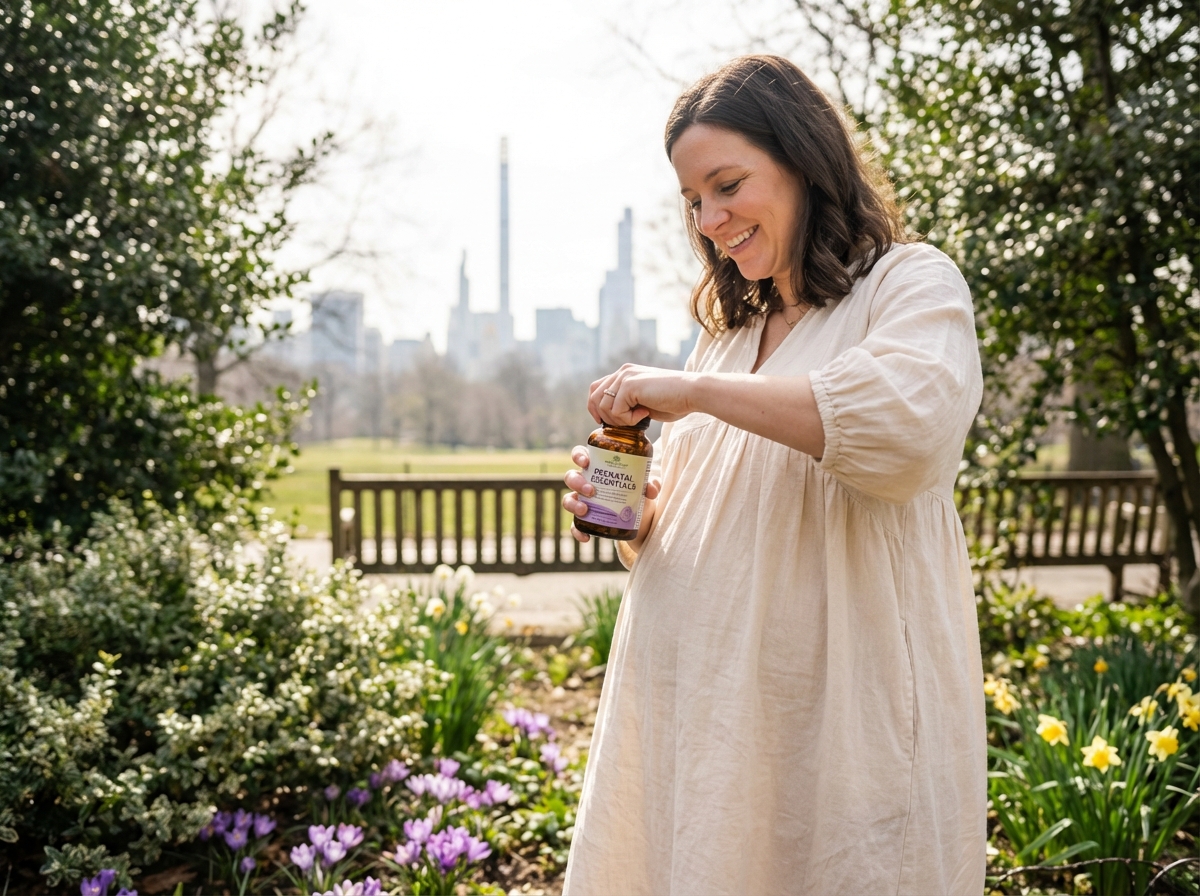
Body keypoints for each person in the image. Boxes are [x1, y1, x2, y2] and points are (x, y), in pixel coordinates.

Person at [560, 55, 986, 895]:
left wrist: (691, 392)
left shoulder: (909, 284)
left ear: (803, 161)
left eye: (727, 185)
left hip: (832, 718)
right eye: (693, 200)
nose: (710, 219)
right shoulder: (730, 333)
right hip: (701, 715)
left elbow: (907, 429)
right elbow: (720, 516)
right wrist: (642, 521)